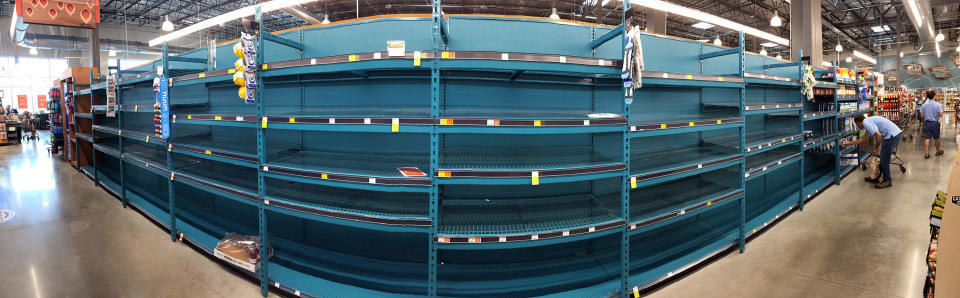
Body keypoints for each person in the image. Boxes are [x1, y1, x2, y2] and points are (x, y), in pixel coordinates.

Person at [842, 115, 903, 189]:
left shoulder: (866, 123)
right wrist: (849, 143)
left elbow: (878, 135)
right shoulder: (868, 123)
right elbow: (863, 139)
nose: (858, 127)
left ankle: (887, 180)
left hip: (892, 135)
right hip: (891, 135)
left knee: (884, 159)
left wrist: (876, 148)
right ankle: (875, 177)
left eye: (857, 125)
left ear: (858, 123)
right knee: (882, 158)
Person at [920, 90, 944, 158]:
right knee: (936, 138)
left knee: (927, 138)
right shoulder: (938, 104)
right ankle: (937, 151)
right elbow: (940, 115)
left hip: (927, 123)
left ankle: (926, 154)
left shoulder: (924, 105)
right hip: (935, 123)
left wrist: (928, 115)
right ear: (934, 96)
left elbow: (921, 115)